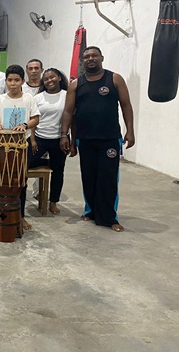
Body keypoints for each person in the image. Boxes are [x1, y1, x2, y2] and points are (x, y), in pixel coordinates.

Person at [60, 46, 135, 232]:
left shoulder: (114, 79)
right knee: (89, 176)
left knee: (108, 178)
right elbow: (68, 111)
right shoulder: (76, 84)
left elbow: (126, 105)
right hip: (85, 139)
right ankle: (91, 211)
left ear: (102, 58)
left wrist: (130, 131)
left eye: (94, 55)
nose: (90, 59)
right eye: (86, 56)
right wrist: (65, 135)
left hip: (110, 138)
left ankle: (109, 218)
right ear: (83, 61)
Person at [0, 64, 40, 231]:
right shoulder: (0, 99)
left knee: (20, 181)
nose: (13, 84)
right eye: (10, 80)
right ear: (5, 81)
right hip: (2, 147)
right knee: (2, 179)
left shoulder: (28, 98)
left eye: (16, 80)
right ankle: (0, 212)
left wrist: (24, 125)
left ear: (22, 81)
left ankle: (21, 216)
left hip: (22, 146)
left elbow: (35, 118)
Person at [31, 68, 68, 215]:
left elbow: (71, 118)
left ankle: (53, 202)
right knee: (27, 162)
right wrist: (32, 140)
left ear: (59, 77)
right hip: (40, 138)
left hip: (59, 140)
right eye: (46, 79)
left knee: (58, 171)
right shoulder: (38, 98)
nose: (49, 81)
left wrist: (68, 138)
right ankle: (47, 163)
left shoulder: (67, 95)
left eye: (52, 77)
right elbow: (33, 119)